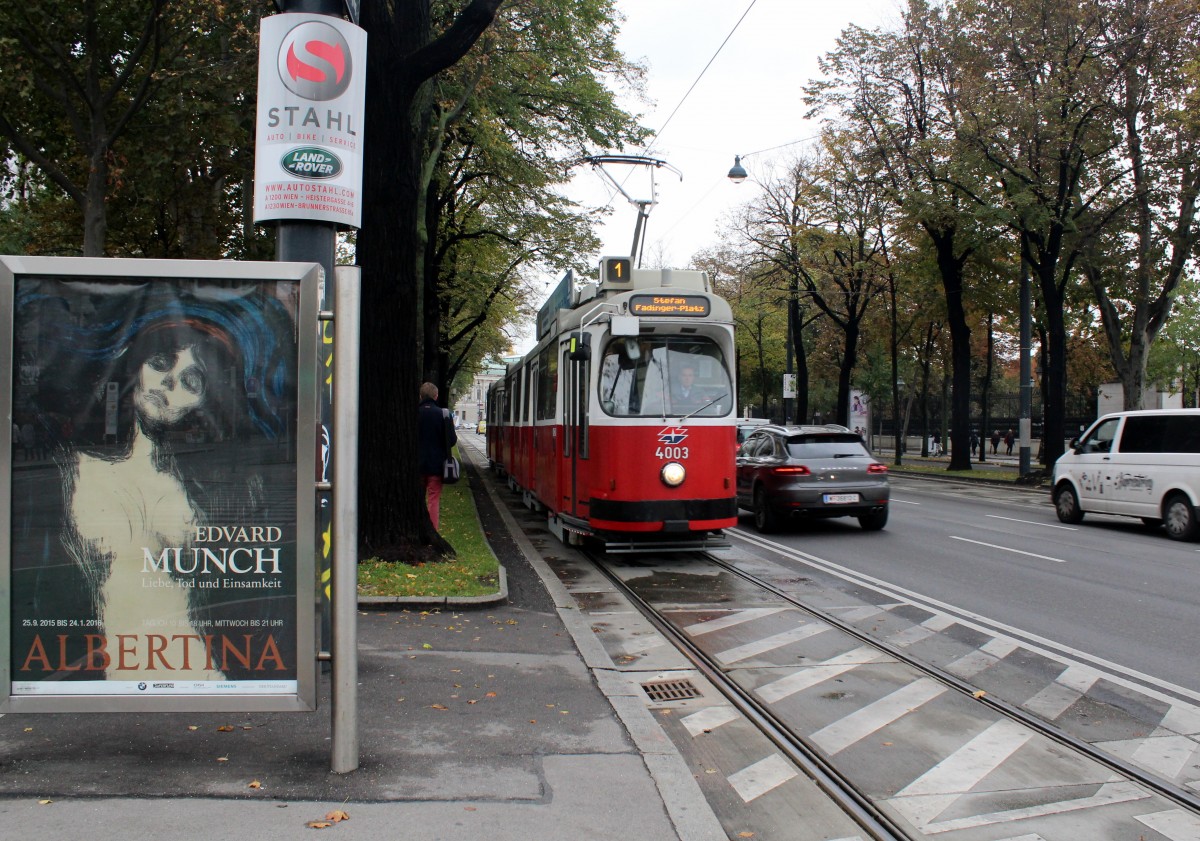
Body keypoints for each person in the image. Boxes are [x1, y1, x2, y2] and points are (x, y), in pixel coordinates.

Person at [10, 282, 300, 687]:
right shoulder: (73, 469)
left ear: (206, 400)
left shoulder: (227, 487)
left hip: (201, 668)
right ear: (136, 364)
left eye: (192, 380)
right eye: (162, 362)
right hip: (97, 667)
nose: (169, 384)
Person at [418, 381, 457, 530]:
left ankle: (418, 529)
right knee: (433, 499)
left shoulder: (414, 413)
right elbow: (452, 440)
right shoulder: (443, 414)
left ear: (420, 396)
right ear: (436, 396)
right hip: (437, 465)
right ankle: (432, 530)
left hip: (417, 465)